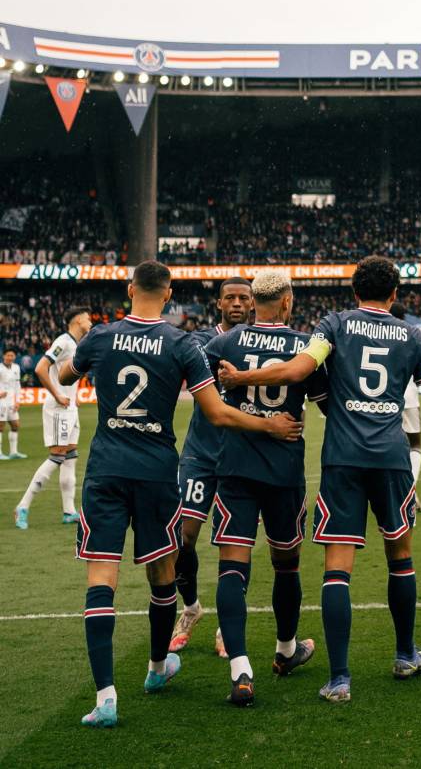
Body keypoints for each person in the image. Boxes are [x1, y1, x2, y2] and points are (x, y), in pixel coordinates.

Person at [220, 255, 421, 703]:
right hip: (391, 457)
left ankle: (339, 678)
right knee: (400, 556)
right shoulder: (412, 336)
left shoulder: (335, 324)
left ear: (355, 291)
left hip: (343, 459)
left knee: (337, 568)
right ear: (395, 294)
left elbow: (299, 371)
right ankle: (405, 655)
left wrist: (242, 376)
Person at [57, 260, 302, 729]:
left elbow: (67, 375)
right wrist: (269, 425)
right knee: (162, 572)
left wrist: (78, 357)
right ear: (168, 295)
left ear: (131, 289)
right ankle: (156, 668)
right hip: (156, 471)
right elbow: (218, 413)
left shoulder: (101, 336)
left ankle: (106, 697)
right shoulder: (182, 343)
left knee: (101, 579)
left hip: (106, 469)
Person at [205, 270, 329, 706]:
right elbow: (328, 404)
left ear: (253, 300)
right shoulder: (304, 348)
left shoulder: (224, 343)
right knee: (286, 565)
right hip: (283, 471)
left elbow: (205, 396)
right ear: (288, 301)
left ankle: (240, 670)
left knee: (231, 568)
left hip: (235, 467)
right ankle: (286, 649)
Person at [169, 277, 253, 657]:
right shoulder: (199, 341)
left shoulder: (260, 342)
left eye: (243, 298)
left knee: (233, 544)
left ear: (252, 304)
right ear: (218, 303)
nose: (236, 303)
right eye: (229, 297)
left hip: (241, 456)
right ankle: (190, 608)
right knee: (182, 537)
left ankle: (226, 625)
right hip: (201, 454)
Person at [15, 307, 92, 529]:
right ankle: (23, 506)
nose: (90, 321)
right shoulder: (63, 342)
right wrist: (57, 394)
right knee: (57, 456)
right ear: (77, 320)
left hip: (70, 408)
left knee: (70, 457)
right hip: (58, 408)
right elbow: (41, 368)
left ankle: (69, 511)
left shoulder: (76, 344)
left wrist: (73, 397)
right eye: (87, 318)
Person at [390, 301, 421, 512]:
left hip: (385, 400)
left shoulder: (378, 333)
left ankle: (392, 492)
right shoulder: (411, 336)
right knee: (415, 445)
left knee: (389, 446)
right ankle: (410, 490)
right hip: (409, 399)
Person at [0, 349, 26, 459]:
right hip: (1, 401)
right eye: (8, 355)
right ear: (4, 356)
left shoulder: (16, 367)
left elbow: (17, 385)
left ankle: (13, 452)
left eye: (12, 355)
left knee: (15, 425)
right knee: (0, 427)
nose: (10, 357)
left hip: (11, 401)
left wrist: (17, 401)